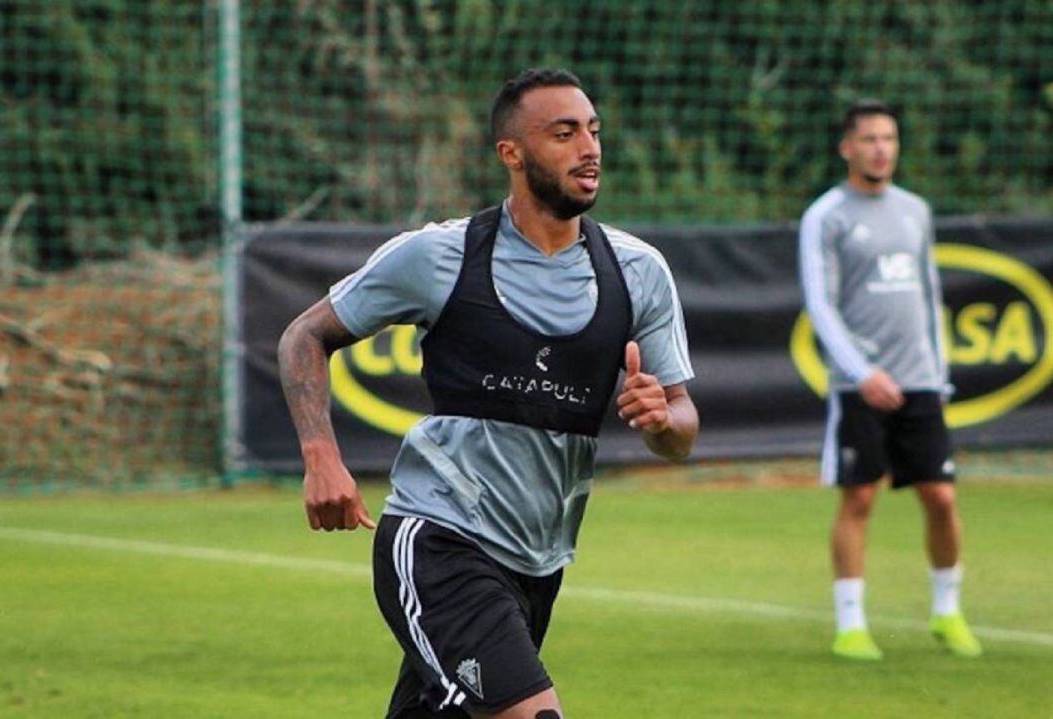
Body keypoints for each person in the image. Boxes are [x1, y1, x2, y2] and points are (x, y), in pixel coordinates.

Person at [277, 68, 698, 718]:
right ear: (512, 153)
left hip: (537, 564)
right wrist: (320, 457)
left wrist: (660, 420)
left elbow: (681, 426)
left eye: (593, 130)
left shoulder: (638, 271)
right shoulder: (438, 256)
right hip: (438, 540)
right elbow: (304, 335)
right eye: (564, 133)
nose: (589, 148)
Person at [798, 99, 982, 661]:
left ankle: (948, 611)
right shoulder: (825, 216)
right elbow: (820, 307)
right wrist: (861, 373)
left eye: (889, 138)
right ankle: (851, 624)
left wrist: (939, 371)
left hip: (920, 380)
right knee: (859, 497)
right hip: (861, 385)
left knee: (942, 498)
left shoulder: (915, 211)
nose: (882, 148)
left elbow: (928, 293)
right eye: (871, 138)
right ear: (847, 147)